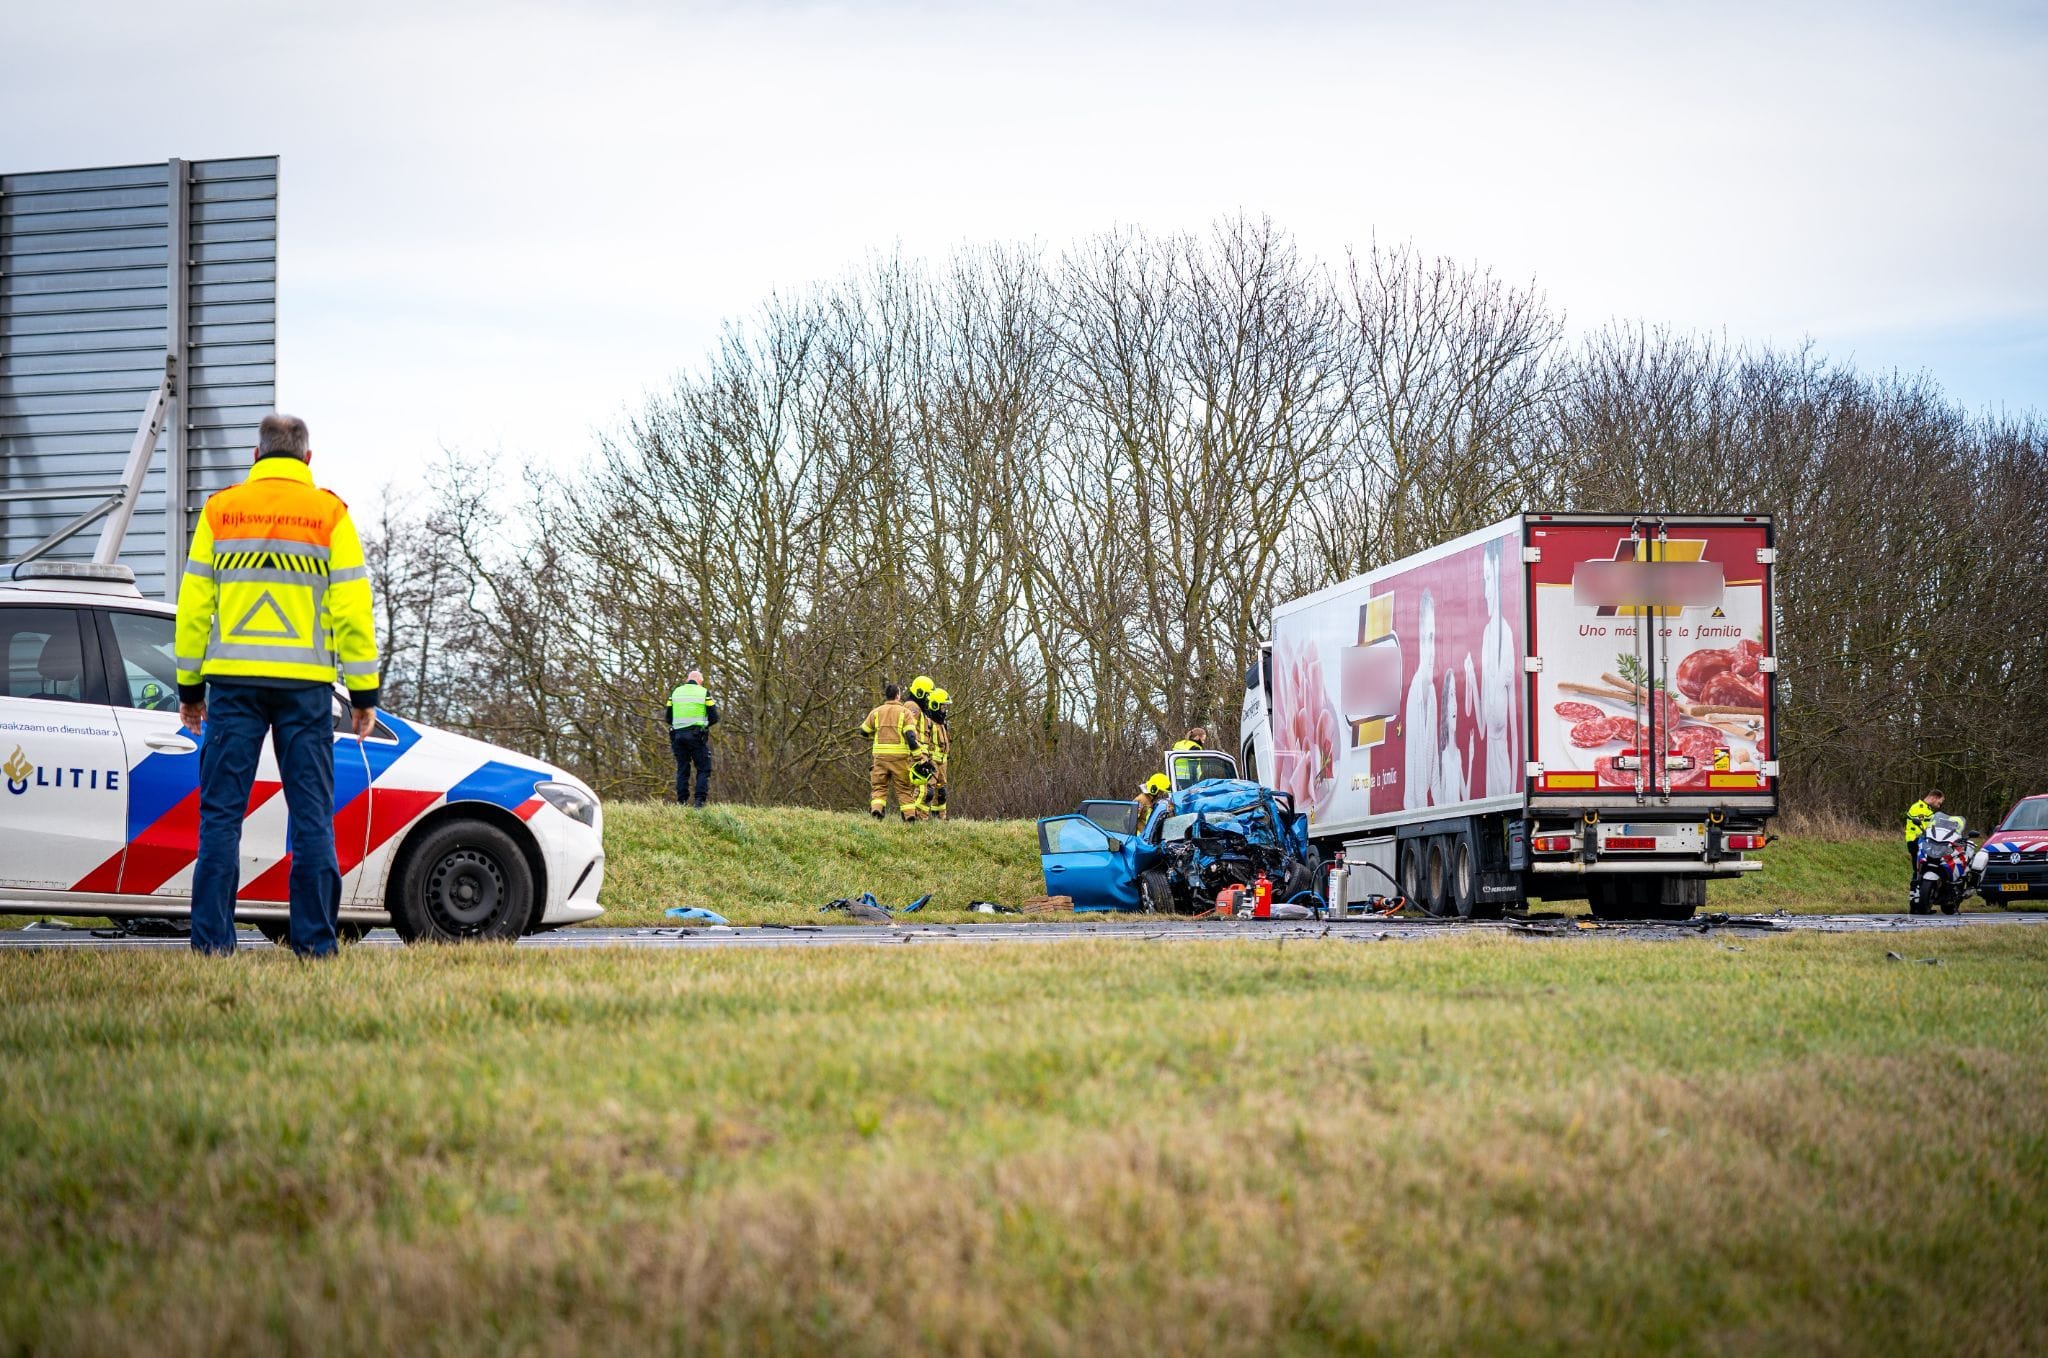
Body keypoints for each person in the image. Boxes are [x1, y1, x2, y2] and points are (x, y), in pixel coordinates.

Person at [174, 413, 378, 958]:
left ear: (256, 454)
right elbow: (354, 611)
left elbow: (195, 608)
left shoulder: (221, 512)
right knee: (312, 815)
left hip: (234, 686)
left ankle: (213, 945)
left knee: (221, 815)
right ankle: (314, 944)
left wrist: (189, 689)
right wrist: (364, 695)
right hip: (306, 688)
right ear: (308, 459)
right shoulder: (329, 514)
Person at [861, 683, 924, 821]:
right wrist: (918, 755)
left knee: (879, 787)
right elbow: (911, 738)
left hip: (880, 758)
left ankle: (877, 811)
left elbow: (863, 731)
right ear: (898, 695)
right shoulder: (905, 713)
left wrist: (877, 733)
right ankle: (909, 816)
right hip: (899, 759)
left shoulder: (876, 712)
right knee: (904, 789)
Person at [1402, 589, 1440, 810]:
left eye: (1434, 638)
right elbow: (1416, 783)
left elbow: (1433, 773)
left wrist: (1444, 807)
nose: (1432, 649)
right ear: (1419, 641)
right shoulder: (1414, 695)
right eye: (1427, 638)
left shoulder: (1432, 694)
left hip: (1425, 810)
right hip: (1415, 809)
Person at [665, 668, 719, 807]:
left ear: (688, 680)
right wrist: (704, 725)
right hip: (696, 736)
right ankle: (699, 802)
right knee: (703, 768)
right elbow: (714, 717)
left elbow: (668, 717)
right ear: (699, 680)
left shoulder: (675, 692)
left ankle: (681, 802)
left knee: (682, 768)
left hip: (677, 736)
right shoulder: (703, 692)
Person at [924, 686, 952, 820]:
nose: (944, 710)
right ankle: (920, 817)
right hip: (932, 761)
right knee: (928, 791)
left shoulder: (943, 723)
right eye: (943, 707)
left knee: (942, 792)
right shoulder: (928, 723)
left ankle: (939, 818)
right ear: (934, 706)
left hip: (943, 761)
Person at [1905, 788, 1944, 877]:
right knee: (1919, 869)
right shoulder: (1919, 808)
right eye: (1939, 802)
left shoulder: (1927, 809)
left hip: (1922, 841)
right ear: (1934, 797)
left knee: (1924, 868)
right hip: (1916, 840)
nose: (1939, 806)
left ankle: (1922, 887)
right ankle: (1915, 889)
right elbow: (1923, 825)